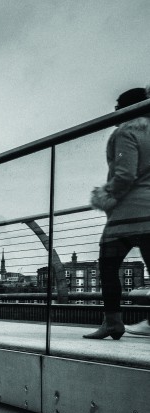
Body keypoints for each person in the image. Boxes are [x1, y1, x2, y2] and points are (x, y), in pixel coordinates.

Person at [85, 86, 150, 340]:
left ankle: (112, 322)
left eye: (116, 109)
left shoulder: (127, 131)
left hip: (127, 214)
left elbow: (125, 174)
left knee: (108, 266)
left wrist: (105, 196)